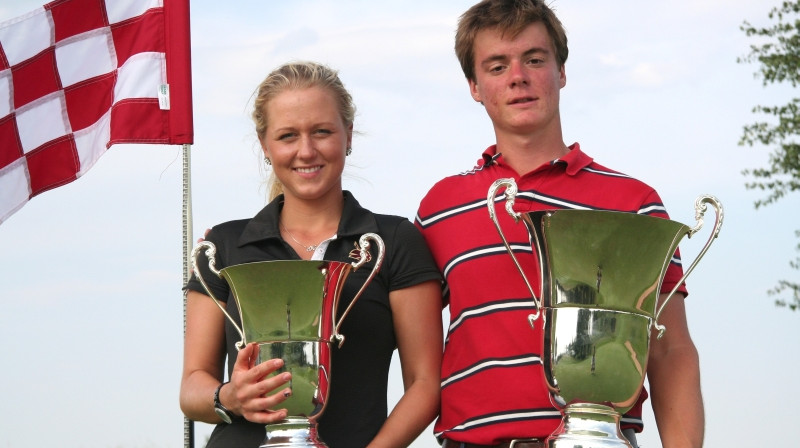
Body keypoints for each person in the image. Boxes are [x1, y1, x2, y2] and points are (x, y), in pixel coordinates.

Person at [414, 1, 704, 447]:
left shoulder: (634, 203)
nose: (518, 77)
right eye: (496, 66)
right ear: (473, 86)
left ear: (561, 71)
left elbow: (670, 349)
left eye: (534, 59)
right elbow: (411, 355)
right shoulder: (439, 209)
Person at [180, 61, 443, 448]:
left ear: (347, 135)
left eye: (322, 132)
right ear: (265, 144)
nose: (306, 151)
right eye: (288, 136)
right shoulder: (223, 246)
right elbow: (191, 388)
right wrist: (229, 397)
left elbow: (425, 385)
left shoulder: (394, 241)